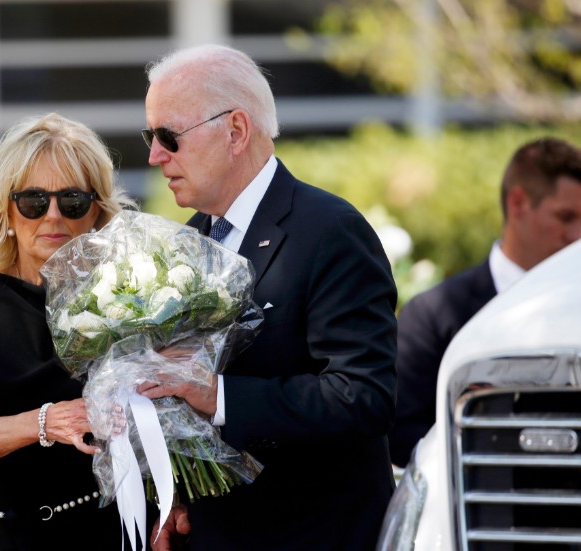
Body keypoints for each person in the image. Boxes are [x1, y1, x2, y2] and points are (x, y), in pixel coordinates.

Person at [137, 44, 398, 551]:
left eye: (169, 136)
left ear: (235, 130)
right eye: (151, 137)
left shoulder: (330, 231)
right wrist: (176, 499)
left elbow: (363, 397)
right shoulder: (188, 242)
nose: (154, 155)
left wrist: (218, 394)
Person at [0, 112, 137, 550]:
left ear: (96, 211)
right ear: (7, 209)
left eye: (73, 201)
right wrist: (47, 423)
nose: (53, 216)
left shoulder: (129, 298)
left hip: (104, 531)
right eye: (33, 201)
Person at [389, 137, 581, 467]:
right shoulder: (433, 315)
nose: (577, 235)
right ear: (518, 203)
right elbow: (400, 435)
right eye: (565, 217)